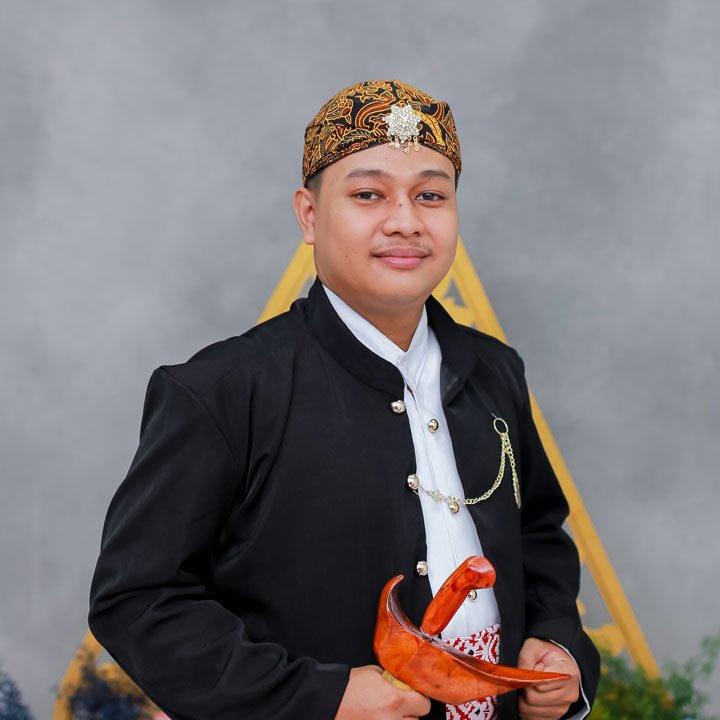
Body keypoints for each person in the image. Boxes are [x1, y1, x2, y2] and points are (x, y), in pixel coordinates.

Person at [89, 80, 599, 720]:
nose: (406, 221)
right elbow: (138, 599)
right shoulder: (222, 390)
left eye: (431, 195)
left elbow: (538, 532)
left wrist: (557, 642)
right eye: (368, 195)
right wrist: (320, 698)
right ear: (308, 215)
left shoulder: (494, 370)